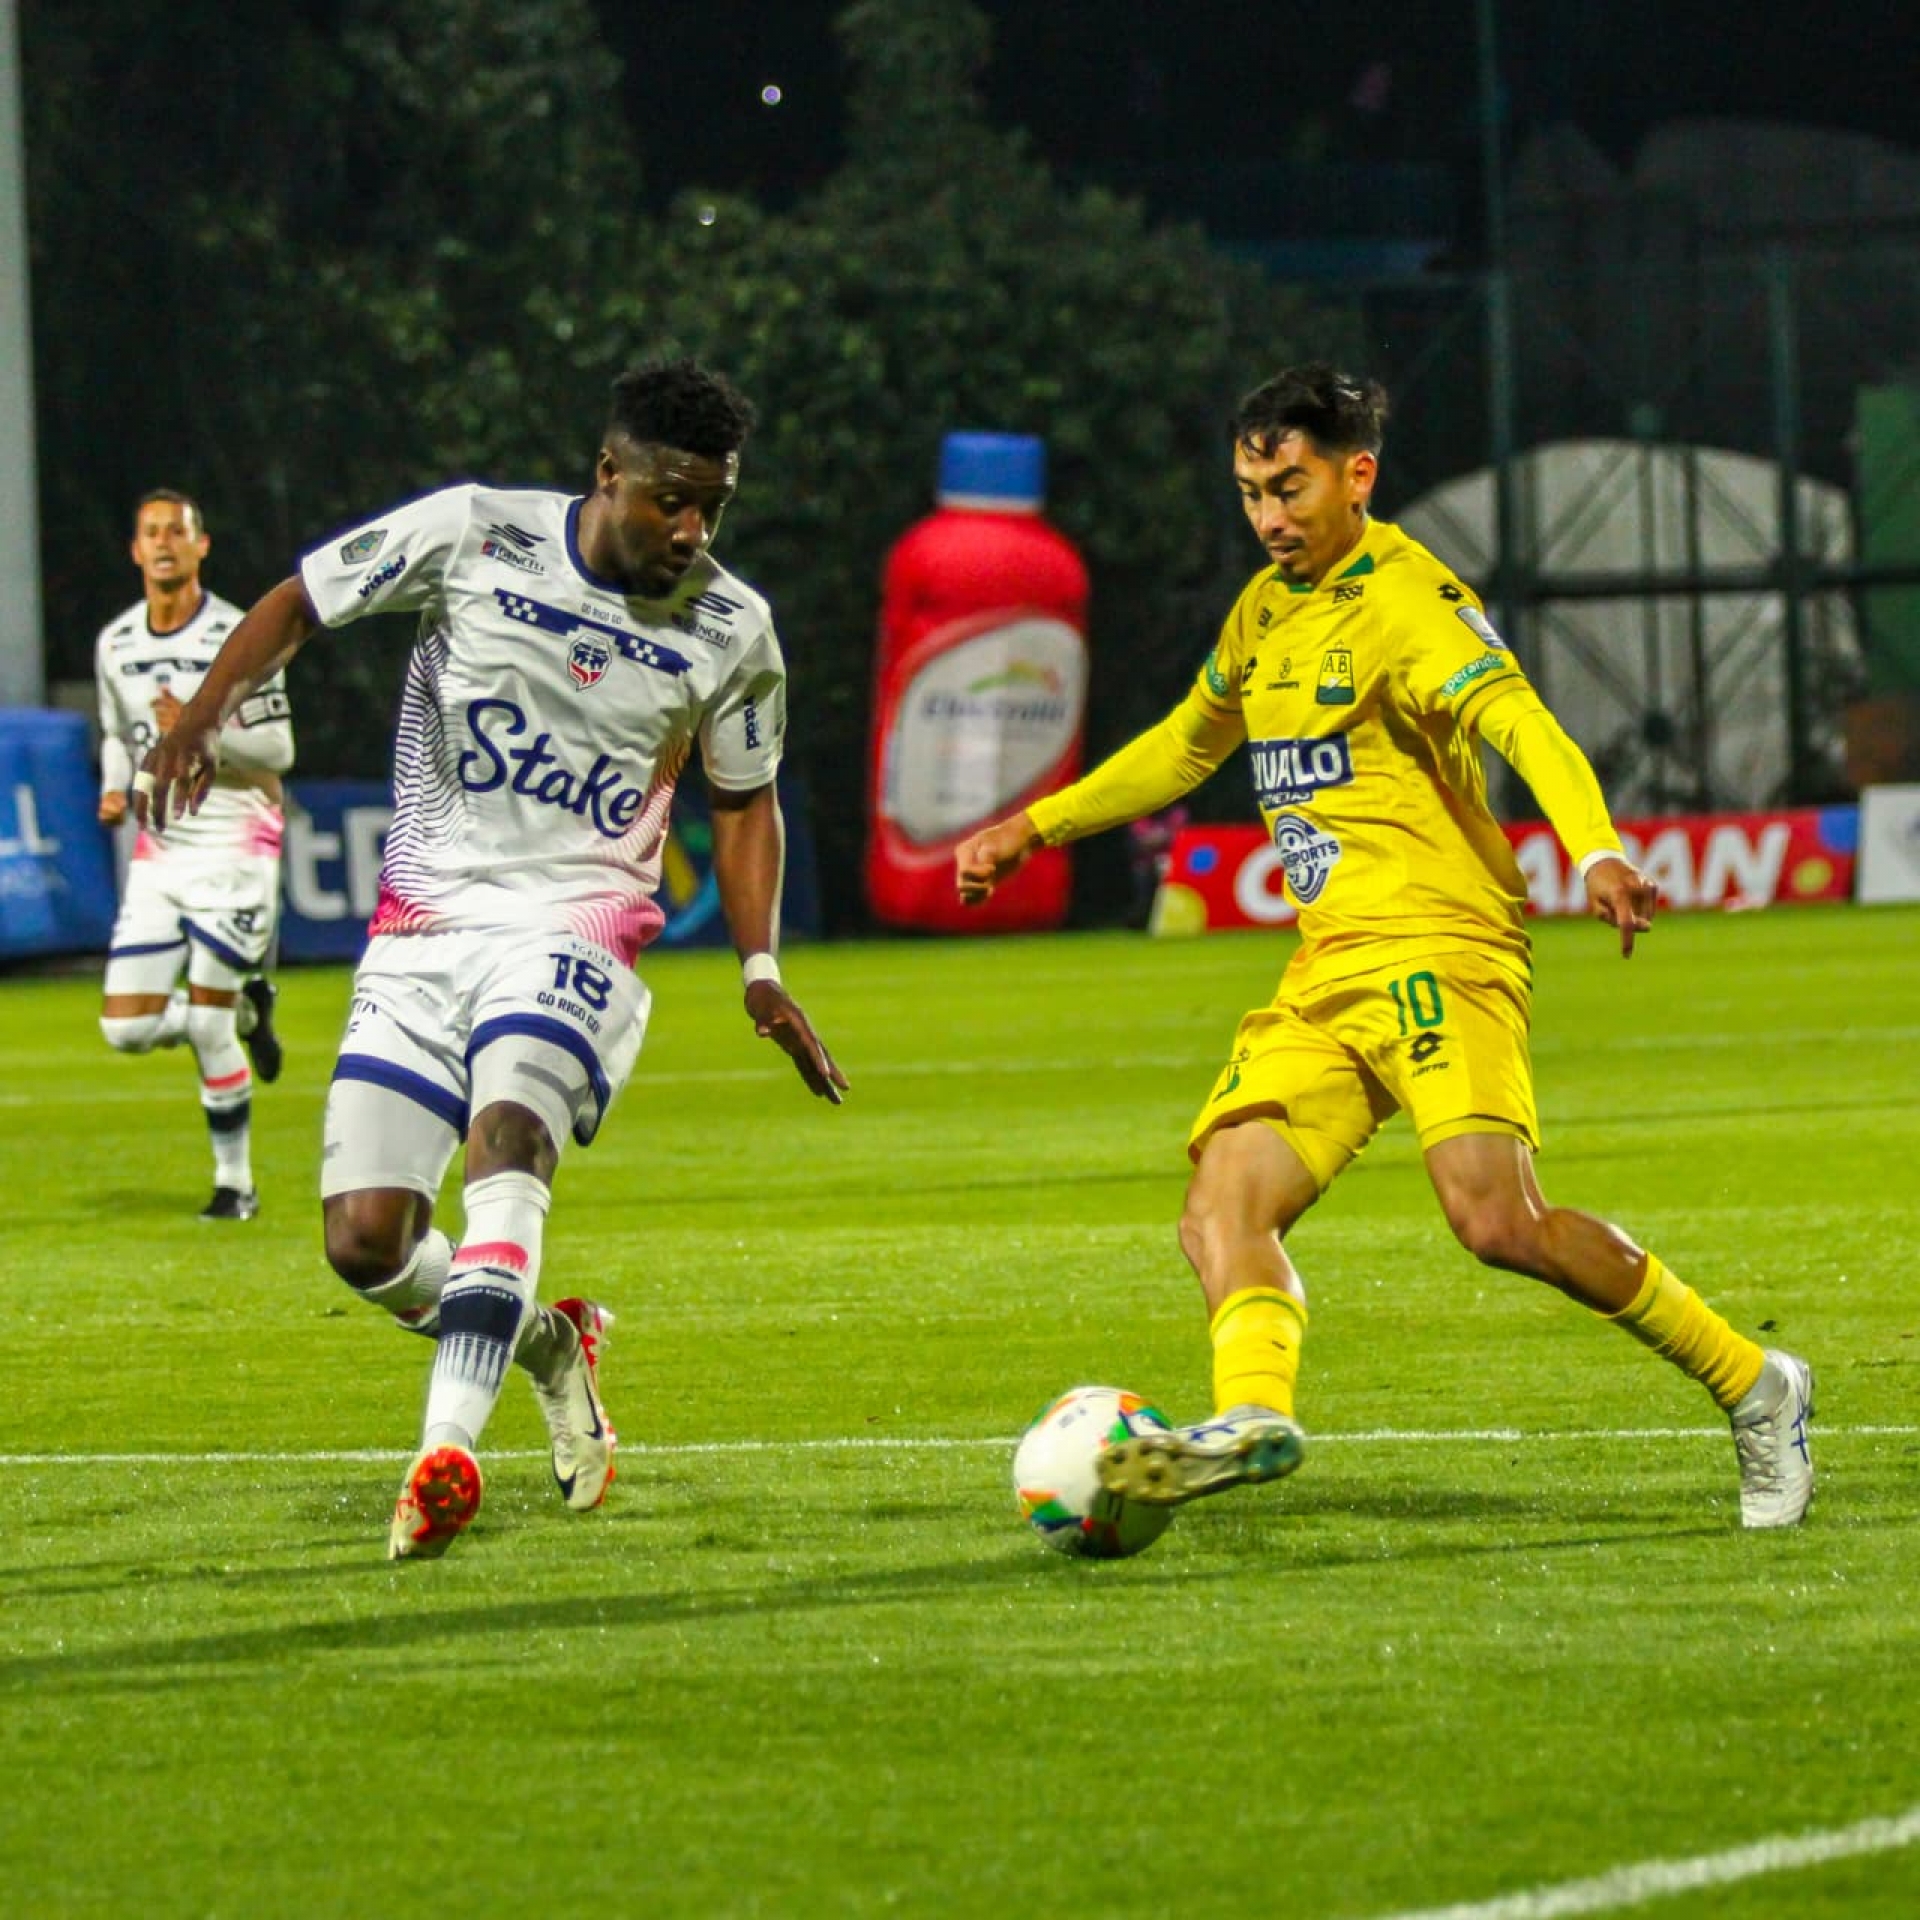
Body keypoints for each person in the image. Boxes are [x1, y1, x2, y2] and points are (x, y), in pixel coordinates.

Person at [956, 363, 1813, 1530]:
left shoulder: (1411, 600)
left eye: (1291, 489)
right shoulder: (1266, 609)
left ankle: (1756, 1383)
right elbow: (1187, 743)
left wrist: (1598, 849)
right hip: (1328, 968)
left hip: (1441, 944)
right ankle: (1252, 1418)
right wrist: (1035, 826)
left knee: (1497, 1222)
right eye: (1252, 492)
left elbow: (1521, 721)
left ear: (1357, 475)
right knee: (1221, 1205)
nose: (1269, 517)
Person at [138, 358, 848, 1560]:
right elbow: (301, 600)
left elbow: (743, 800)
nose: (693, 530)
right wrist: (204, 717)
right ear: (608, 473)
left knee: (508, 1142)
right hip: (424, 929)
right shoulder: (473, 532)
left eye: (714, 506)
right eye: (672, 499)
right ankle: (552, 1345)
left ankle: (444, 1455)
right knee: (365, 1241)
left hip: (581, 927)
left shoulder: (735, 627)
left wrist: (760, 966)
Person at [95, 489, 291, 1222]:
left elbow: (278, 749)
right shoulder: (116, 642)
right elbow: (118, 733)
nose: (164, 542)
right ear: (135, 550)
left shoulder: (240, 634)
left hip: (236, 842)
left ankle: (235, 1185)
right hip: (162, 847)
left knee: (205, 1026)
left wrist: (200, 731)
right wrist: (114, 785)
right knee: (125, 1029)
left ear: (201, 545)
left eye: (176, 531)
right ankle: (244, 1011)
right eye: (151, 532)